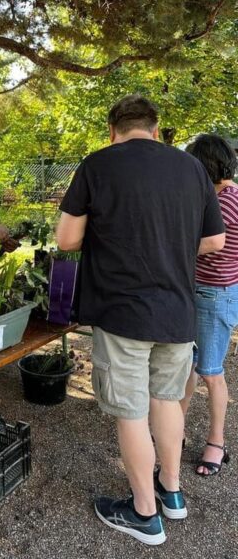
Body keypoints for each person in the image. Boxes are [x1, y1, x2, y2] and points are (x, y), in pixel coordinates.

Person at [56, 94, 225, 546]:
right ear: (156, 127)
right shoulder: (191, 168)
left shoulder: (97, 165)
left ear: (112, 130)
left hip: (121, 310)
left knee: (130, 412)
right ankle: (172, 493)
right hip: (177, 310)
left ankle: (144, 514)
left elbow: (67, 239)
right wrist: (169, 248)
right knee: (166, 401)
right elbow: (216, 241)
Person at [180, 134, 238, 476]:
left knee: (211, 372)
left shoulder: (226, 203)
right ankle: (178, 429)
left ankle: (217, 442)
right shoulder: (216, 196)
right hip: (200, 290)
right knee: (186, 365)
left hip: (215, 295)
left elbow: (195, 245)